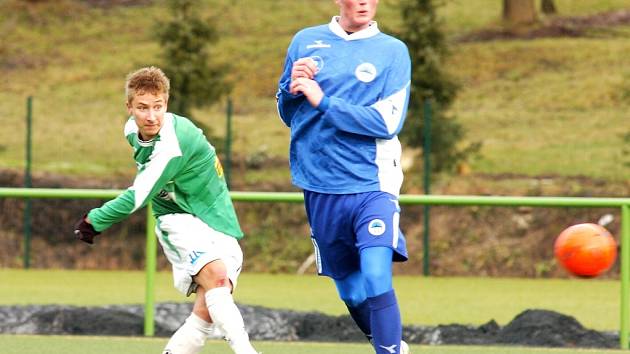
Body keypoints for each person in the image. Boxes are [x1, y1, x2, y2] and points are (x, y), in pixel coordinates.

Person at [73, 66, 259, 354]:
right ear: (129, 107)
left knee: (206, 310)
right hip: (177, 218)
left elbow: (139, 191)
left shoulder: (173, 143)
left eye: (157, 107)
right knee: (217, 278)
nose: (151, 116)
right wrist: (95, 221)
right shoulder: (131, 130)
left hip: (216, 216)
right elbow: (142, 192)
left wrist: (93, 219)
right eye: (142, 107)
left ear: (166, 104)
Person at [276, 0, 411, 353]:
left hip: (372, 183)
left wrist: (324, 101)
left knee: (377, 276)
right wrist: (293, 87)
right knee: (351, 291)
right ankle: (387, 341)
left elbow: (387, 122)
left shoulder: (393, 51)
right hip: (320, 185)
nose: (364, 1)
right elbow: (288, 113)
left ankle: (389, 350)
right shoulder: (305, 41)